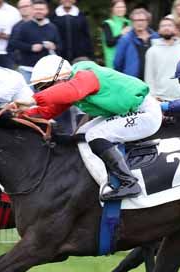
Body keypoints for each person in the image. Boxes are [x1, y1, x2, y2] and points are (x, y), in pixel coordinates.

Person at [16, 55, 162, 201]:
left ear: (61, 78)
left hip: (145, 113)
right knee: (82, 133)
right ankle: (95, 177)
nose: (44, 91)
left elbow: (71, 90)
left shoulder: (85, 76)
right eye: (41, 89)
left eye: (46, 86)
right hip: (129, 112)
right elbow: (48, 111)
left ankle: (129, 183)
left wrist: (34, 99)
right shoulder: (72, 83)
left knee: (95, 135)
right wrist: (18, 114)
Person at [7, 0, 60, 83]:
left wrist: (54, 46)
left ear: (47, 11)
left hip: (46, 70)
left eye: (41, 9)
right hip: (27, 69)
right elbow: (14, 43)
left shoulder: (52, 27)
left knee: (44, 95)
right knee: (28, 95)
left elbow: (60, 45)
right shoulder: (23, 26)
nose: (39, 11)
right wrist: (30, 47)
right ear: (32, 10)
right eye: (36, 9)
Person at [144, 16, 180, 101]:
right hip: (161, 99)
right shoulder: (152, 51)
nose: (166, 28)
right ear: (158, 30)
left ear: (175, 29)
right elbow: (149, 77)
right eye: (163, 26)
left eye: (169, 25)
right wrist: (152, 96)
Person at [113, 8, 158, 79]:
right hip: (133, 81)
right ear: (132, 22)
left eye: (142, 20)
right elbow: (117, 63)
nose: (139, 23)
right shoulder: (125, 39)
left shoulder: (156, 37)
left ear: (147, 21)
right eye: (136, 20)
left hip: (153, 79)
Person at [100, 0, 130, 68]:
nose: (121, 9)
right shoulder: (107, 24)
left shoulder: (129, 23)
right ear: (112, 9)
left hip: (127, 62)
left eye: (123, 7)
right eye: (118, 7)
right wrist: (122, 34)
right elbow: (109, 43)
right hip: (113, 63)